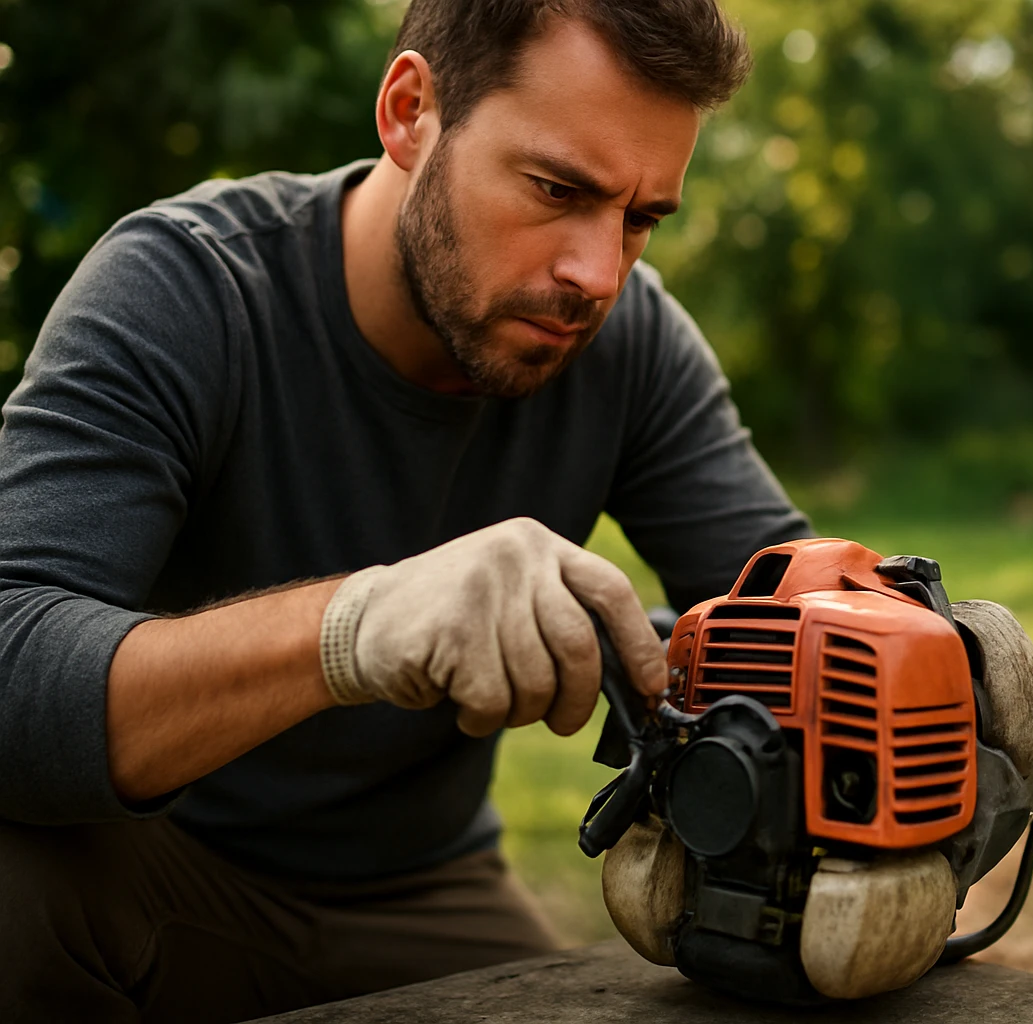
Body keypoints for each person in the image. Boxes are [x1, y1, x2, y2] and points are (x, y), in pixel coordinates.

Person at [0, 1, 811, 1020]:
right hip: (145, 872)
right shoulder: (185, 287)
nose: (597, 274)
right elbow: (11, 657)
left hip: (424, 893)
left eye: (642, 217)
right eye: (557, 188)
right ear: (410, 111)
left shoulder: (633, 344)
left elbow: (790, 603)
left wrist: (935, 640)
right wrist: (354, 627)